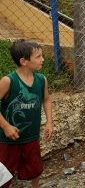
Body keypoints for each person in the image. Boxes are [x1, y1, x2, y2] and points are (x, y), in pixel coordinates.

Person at [0, 39, 53, 188]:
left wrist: (49, 122)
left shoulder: (41, 80)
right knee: (3, 174)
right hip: (8, 140)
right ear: (24, 61)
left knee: (35, 169)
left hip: (31, 136)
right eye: (38, 56)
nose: (42, 59)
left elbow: (47, 100)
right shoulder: (8, 81)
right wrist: (5, 126)